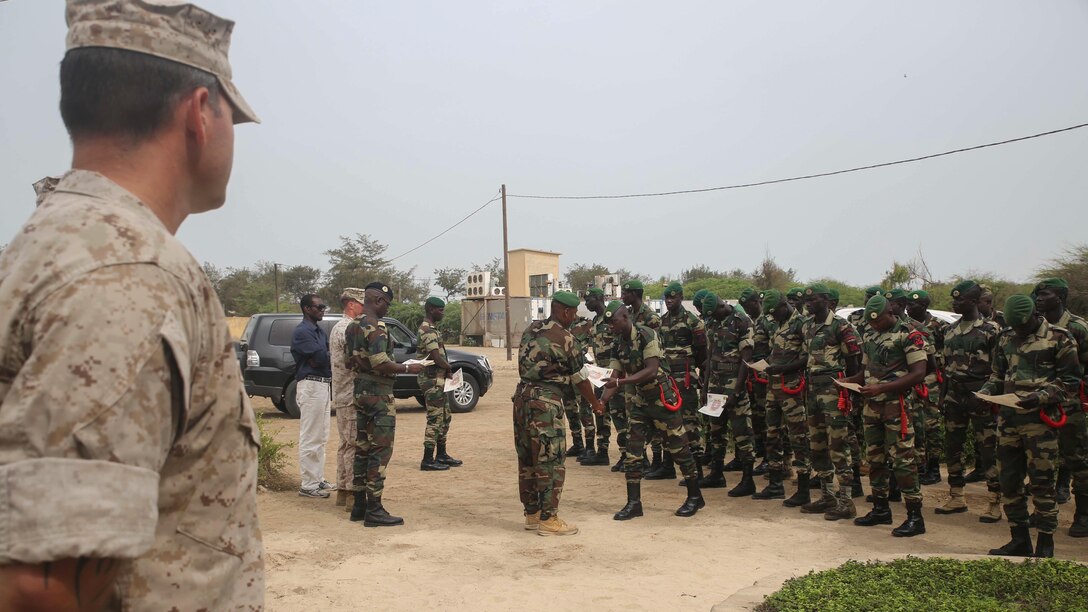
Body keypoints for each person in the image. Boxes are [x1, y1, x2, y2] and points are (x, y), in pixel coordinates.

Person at [0, 0, 264, 607]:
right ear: (201, 112)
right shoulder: (129, 273)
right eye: (233, 117)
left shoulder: (66, 239)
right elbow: (38, 587)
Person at [982, 295, 1082, 558]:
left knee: (1042, 483)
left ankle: (1045, 543)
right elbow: (998, 374)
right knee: (1009, 481)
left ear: (1034, 317)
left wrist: (1040, 396)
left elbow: (1070, 382)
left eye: (1022, 327)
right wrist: (987, 391)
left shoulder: (1060, 338)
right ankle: (1019, 539)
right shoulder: (1005, 337)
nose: (1018, 332)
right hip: (1009, 420)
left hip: (1040, 422)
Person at [514, 291, 606, 536]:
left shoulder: (530, 329)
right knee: (551, 460)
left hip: (522, 398)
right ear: (566, 312)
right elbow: (580, 379)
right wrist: (596, 404)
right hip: (546, 403)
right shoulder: (565, 338)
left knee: (528, 458)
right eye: (573, 313)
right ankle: (549, 519)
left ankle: (532, 513)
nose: (574, 317)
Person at [602, 302, 706, 519]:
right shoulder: (618, 343)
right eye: (609, 323)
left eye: (614, 322)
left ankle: (695, 496)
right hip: (641, 401)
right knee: (633, 452)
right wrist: (601, 402)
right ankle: (634, 503)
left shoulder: (647, 335)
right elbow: (614, 376)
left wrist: (621, 383)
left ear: (625, 316)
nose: (611, 326)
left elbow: (651, 370)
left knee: (679, 450)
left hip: (661, 398)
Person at [345, 283, 425, 527]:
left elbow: (349, 362)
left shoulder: (352, 326)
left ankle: (359, 505)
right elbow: (381, 362)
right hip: (379, 394)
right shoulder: (376, 327)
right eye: (386, 303)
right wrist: (409, 368)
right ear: (377, 299)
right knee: (380, 452)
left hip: (360, 391)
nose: (385, 308)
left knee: (362, 448)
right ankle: (375, 509)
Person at [848, 295, 928, 537]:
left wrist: (881, 388)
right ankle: (880, 508)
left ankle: (915, 516)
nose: (874, 325)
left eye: (879, 321)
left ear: (890, 314)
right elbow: (866, 371)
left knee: (903, 460)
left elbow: (919, 373)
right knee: (875, 458)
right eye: (871, 322)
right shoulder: (870, 335)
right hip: (872, 406)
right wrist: (848, 382)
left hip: (897, 406)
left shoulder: (908, 334)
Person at [937, 281, 1003, 522]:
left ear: (975, 302)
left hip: (981, 398)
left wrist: (986, 396)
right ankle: (956, 496)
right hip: (955, 396)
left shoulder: (991, 330)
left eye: (960, 300)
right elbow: (946, 368)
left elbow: (1000, 369)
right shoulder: (950, 330)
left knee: (989, 451)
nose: (955, 303)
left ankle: (995, 501)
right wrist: (943, 396)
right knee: (953, 448)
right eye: (954, 300)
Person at [799, 284, 863, 517]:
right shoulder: (807, 326)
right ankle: (827, 496)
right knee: (817, 445)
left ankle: (846, 500)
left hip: (834, 390)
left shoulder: (841, 326)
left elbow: (854, 362)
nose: (808, 303)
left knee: (838, 445)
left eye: (813, 299)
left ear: (826, 301)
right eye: (806, 300)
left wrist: (849, 391)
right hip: (812, 390)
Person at [1033, 278, 1088, 532]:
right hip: (1038, 404)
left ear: (1061, 297)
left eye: (1046, 294)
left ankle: (1083, 515)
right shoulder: (1035, 325)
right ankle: (1044, 511)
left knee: (1077, 460)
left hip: (1069, 404)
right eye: (1038, 293)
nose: (1040, 297)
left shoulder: (1077, 327)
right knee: (1041, 459)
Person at [753, 290, 814, 509]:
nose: (774, 317)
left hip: (792, 388)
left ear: (784, 305)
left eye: (775, 312)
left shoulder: (802, 324)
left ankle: (804, 490)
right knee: (772, 435)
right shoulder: (778, 324)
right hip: (773, 387)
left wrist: (783, 368)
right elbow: (777, 352)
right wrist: (765, 365)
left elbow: (807, 357)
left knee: (799, 437)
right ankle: (775, 483)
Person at [699, 292, 757, 497]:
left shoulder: (742, 322)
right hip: (715, 383)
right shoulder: (713, 322)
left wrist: (737, 389)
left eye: (714, 312)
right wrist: (705, 387)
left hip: (734, 383)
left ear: (722, 305)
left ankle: (748, 479)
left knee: (742, 432)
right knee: (716, 430)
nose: (712, 317)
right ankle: (716, 473)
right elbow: (709, 354)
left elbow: (746, 359)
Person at [658, 282, 708, 481]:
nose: (670, 301)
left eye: (673, 297)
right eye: (667, 298)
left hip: (685, 377)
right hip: (667, 378)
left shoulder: (693, 321)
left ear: (680, 298)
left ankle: (698, 470)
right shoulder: (662, 321)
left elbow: (702, 352)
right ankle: (667, 465)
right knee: (667, 421)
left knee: (689, 422)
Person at [293, 294, 335, 498]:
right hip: (311, 385)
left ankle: (317, 478)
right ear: (307, 309)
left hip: (323, 385)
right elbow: (321, 357)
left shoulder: (318, 331)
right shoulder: (302, 332)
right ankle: (308, 484)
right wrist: (323, 357)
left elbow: (325, 356)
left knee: (322, 434)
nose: (322, 310)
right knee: (311, 435)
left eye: (323, 306)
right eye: (319, 307)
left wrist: (323, 356)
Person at [417, 297, 463, 471]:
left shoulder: (433, 329)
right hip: (431, 379)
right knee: (435, 419)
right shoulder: (427, 330)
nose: (442, 313)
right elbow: (436, 357)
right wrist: (449, 368)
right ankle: (427, 459)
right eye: (440, 310)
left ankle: (441, 454)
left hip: (439, 380)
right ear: (430, 310)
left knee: (445, 417)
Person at [906, 290, 945, 486]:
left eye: (913, 305)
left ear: (923, 306)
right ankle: (919, 465)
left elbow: (942, 355)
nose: (909, 307)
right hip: (912, 379)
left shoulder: (938, 325)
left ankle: (934, 466)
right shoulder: (905, 326)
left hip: (930, 380)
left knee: (931, 425)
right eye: (907, 304)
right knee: (916, 424)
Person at [331, 288, 366, 508]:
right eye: (361, 303)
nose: (364, 308)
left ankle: (343, 490)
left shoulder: (337, 327)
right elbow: (358, 360)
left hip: (342, 394)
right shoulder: (347, 328)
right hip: (350, 394)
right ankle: (353, 494)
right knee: (353, 444)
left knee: (345, 444)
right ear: (351, 304)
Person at [587, 289, 622, 470]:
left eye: (589, 299)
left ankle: (626, 454)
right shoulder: (595, 322)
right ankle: (602, 452)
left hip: (614, 374)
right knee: (600, 412)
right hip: (599, 374)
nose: (586, 303)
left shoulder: (613, 318)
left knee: (619, 415)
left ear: (599, 299)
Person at [740, 287, 770, 474]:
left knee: (768, 420)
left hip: (767, 377)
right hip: (754, 378)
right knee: (758, 418)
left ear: (757, 301)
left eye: (749, 304)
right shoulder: (751, 322)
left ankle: (771, 459)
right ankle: (763, 454)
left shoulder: (768, 321)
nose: (747, 308)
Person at [565, 311, 596, 462]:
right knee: (570, 409)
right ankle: (577, 443)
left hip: (579, 372)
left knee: (585, 409)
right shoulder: (559, 326)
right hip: (564, 373)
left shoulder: (586, 325)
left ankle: (590, 447)